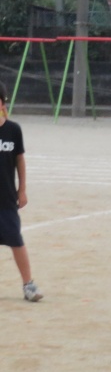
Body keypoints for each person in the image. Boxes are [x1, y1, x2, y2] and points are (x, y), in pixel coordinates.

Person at [0, 82, 42, 302]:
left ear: (2, 103)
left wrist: (22, 189)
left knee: (16, 240)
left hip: (6, 198)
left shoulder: (13, 130)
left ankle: (28, 285)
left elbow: (20, 160)